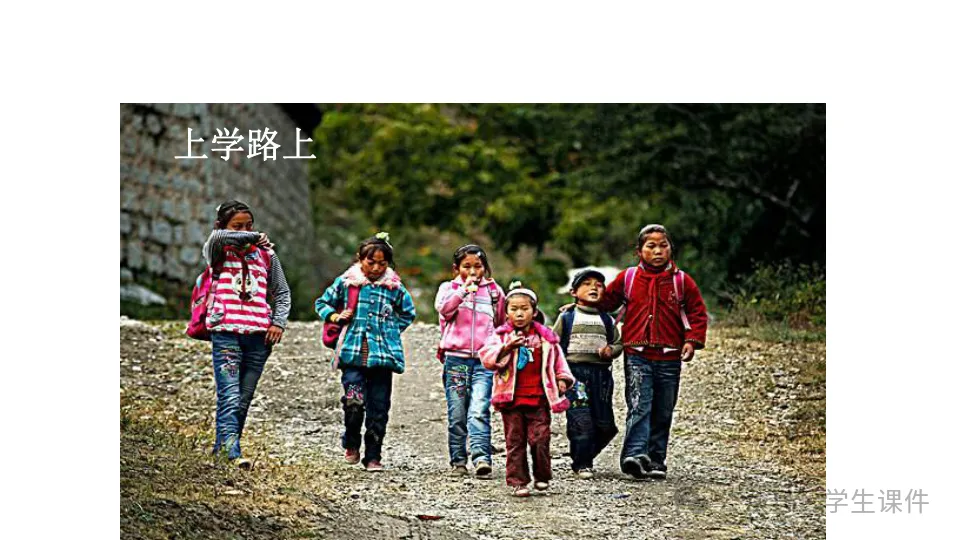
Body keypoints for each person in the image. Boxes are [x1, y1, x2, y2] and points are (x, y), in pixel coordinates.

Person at [590, 224, 708, 480]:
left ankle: (656, 460)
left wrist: (692, 341)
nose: (657, 251)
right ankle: (634, 455)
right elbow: (606, 302)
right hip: (637, 354)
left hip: (670, 357)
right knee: (639, 405)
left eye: (663, 245)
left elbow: (697, 313)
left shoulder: (682, 281)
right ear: (639, 251)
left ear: (671, 249)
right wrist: (583, 303)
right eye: (651, 246)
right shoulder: (629, 278)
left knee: (663, 410)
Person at [315, 232, 416, 472]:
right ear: (360, 259)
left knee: (379, 408)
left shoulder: (394, 288)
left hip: (383, 358)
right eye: (371, 262)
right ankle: (351, 442)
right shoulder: (347, 283)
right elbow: (322, 303)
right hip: (352, 356)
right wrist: (335, 317)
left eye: (382, 263)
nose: (376, 268)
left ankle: (373, 456)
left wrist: (391, 330)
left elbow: (408, 312)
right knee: (354, 401)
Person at [202, 200, 291, 468]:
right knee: (229, 396)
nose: (244, 231)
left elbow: (282, 293)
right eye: (237, 226)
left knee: (243, 398)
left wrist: (278, 323)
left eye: (249, 225)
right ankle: (232, 453)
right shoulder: (218, 250)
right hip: (226, 334)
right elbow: (217, 237)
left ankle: (223, 449)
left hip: (259, 338)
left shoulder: (266, 255)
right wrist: (254, 236)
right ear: (222, 226)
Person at [480, 283, 575, 497]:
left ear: (534, 311)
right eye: (514, 309)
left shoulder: (546, 338)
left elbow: (558, 361)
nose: (519, 313)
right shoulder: (501, 336)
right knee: (515, 441)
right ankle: (518, 481)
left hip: (539, 398)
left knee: (540, 439)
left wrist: (562, 379)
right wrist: (507, 347)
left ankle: (542, 476)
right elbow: (487, 359)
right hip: (511, 399)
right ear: (506, 313)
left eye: (525, 308)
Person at [434, 244, 505, 478]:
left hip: (484, 362)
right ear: (456, 268)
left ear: (485, 268)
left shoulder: (494, 292)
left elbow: (502, 323)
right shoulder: (449, 288)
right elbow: (444, 310)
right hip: (456, 360)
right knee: (457, 413)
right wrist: (463, 291)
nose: (473, 271)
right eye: (467, 266)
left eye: (478, 266)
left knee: (479, 409)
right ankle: (458, 460)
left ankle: (481, 457)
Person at [552, 269, 623, 479]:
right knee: (581, 419)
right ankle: (583, 464)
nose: (594, 288)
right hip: (575, 375)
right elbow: (554, 345)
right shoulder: (567, 317)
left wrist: (611, 350)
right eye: (587, 284)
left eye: (599, 285)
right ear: (573, 292)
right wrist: (558, 375)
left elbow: (618, 343)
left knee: (606, 425)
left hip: (601, 376)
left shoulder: (607, 319)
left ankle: (582, 455)